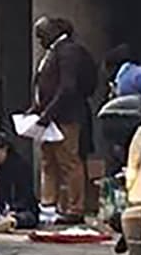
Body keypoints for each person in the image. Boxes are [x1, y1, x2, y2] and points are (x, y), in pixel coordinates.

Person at [31, 16, 98, 226]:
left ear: (53, 32)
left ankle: (75, 207)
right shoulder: (53, 52)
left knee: (68, 161)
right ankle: (48, 205)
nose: (40, 41)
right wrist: (37, 109)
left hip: (66, 116)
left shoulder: (68, 51)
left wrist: (48, 113)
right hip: (50, 114)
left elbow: (67, 87)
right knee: (48, 161)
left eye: (41, 35)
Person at [0, 132, 40, 231]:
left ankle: (9, 223)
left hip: (21, 209)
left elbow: (26, 196)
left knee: (26, 217)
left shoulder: (19, 166)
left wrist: (14, 209)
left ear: (5, 149)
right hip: (0, 210)